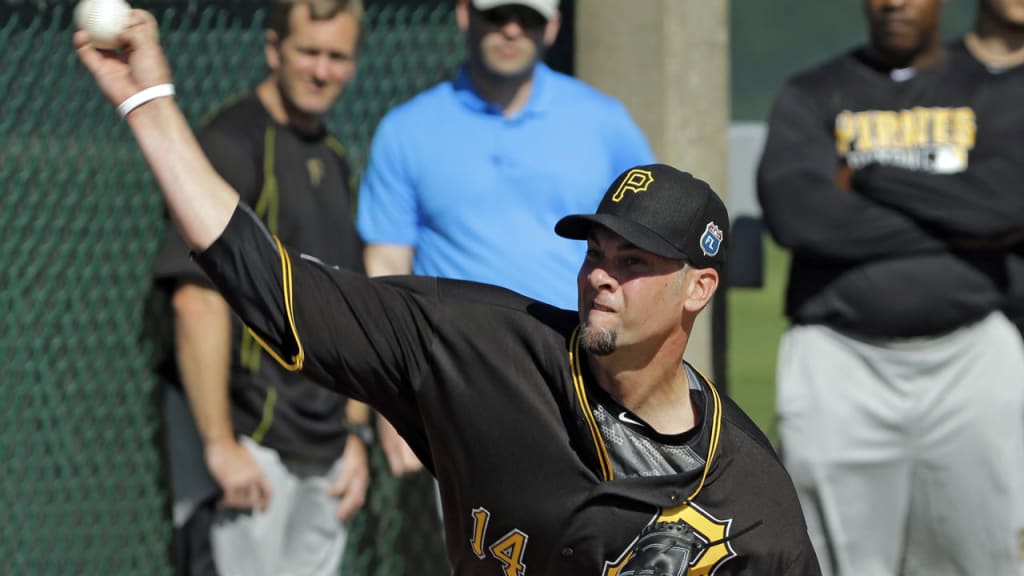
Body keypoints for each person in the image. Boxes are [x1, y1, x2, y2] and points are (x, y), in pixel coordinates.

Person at [75, 11, 822, 574]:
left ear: (700, 288)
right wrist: (149, 104)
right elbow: (273, 286)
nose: (600, 274)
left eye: (635, 261)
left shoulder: (752, 504)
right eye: (597, 249)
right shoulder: (476, 348)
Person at [757, 0, 1024, 574]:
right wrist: (959, 231)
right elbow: (798, 217)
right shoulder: (813, 92)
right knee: (832, 559)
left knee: (980, 557)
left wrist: (869, 177)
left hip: (970, 359)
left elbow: (1005, 207)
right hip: (838, 358)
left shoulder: (999, 92)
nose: (895, 2)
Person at [357, 0, 655, 475]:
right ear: (464, 15)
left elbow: (650, 249)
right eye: (496, 15)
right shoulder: (406, 131)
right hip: (459, 386)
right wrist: (389, 398)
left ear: (553, 26)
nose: (512, 30)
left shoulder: (604, 122)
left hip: (589, 379)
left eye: (529, 18)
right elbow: (386, 271)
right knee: (481, 547)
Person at [151, 1, 371, 574]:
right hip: (248, 451)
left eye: (338, 56)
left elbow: (346, 305)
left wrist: (354, 433)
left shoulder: (335, 156)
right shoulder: (230, 143)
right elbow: (196, 299)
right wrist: (219, 444)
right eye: (309, 52)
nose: (322, 70)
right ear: (273, 47)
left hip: (323, 450)